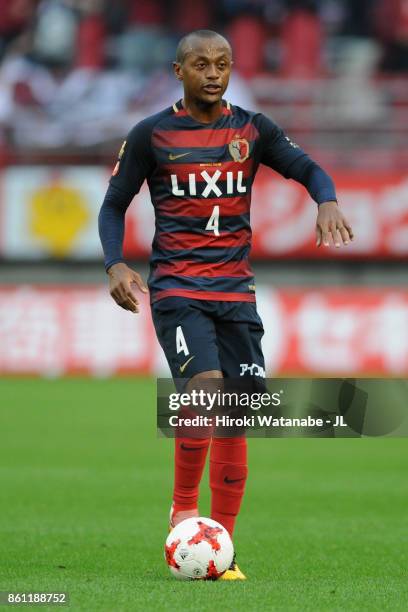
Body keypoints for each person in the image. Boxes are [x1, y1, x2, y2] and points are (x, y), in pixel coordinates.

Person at [98, 29, 354, 580]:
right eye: (201, 64)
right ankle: (184, 510)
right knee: (205, 390)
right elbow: (114, 204)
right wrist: (116, 263)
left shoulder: (253, 129)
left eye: (223, 64)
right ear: (179, 71)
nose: (214, 73)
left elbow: (309, 168)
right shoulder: (151, 134)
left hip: (236, 292)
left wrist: (326, 200)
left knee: (238, 414)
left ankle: (222, 547)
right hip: (178, 288)